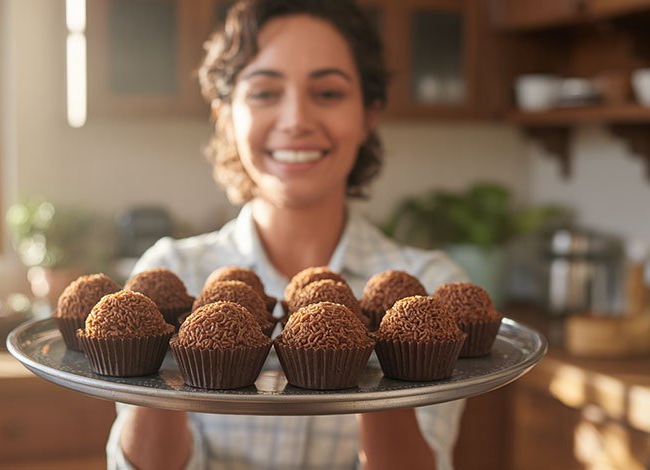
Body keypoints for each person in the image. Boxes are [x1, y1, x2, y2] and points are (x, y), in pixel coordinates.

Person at [107, 0, 467, 468]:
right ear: (225, 116)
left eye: (328, 93)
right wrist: (157, 362)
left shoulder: (432, 291)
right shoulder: (171, 273)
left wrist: (386, 360)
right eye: (263, 93)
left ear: (368, 114)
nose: (296, 119)